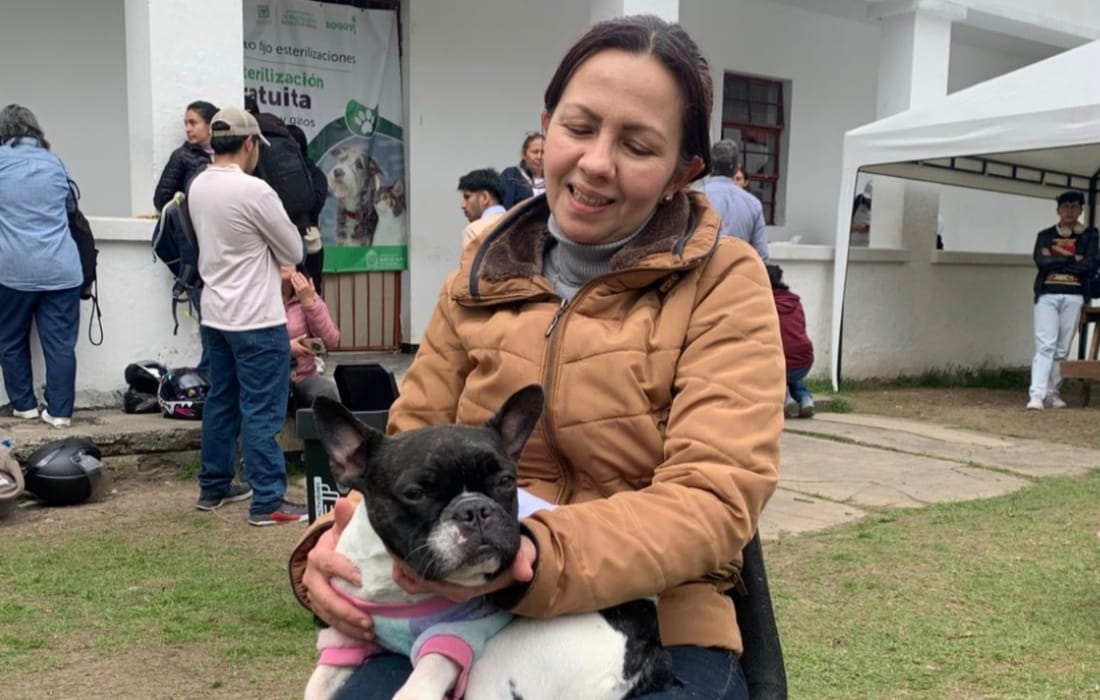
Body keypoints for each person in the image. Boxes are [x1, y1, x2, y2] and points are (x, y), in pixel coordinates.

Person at [291, 15, 783, 699]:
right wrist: (326, 546)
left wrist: (532, 552)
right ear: (546, 127)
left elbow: (714, 498)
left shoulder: (722, 282)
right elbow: (403, 455)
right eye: (579, 128)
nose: (597, 163)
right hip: (453, 607)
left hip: (656, 622)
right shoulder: (477, 279)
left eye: (638, 145)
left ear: (684, 171)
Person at [187, 106, 308, 526]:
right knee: (261, 409)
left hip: (215, 313)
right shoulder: (255, 191)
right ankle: (268, 500)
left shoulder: (199, 184)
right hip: (257, 317)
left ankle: (214, 485)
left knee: (221, 400)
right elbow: (293, 250)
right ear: (250, 143)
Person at [0, 104, 83, 429]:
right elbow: (71, 207)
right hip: (62, 268)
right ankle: (60, 412)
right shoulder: (55, 162)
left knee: (9, 338)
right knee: (61, 344)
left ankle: (24, 406)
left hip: (12, 269)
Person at [1027, 190, 1098, 411]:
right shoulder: (1045, 235)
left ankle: (1052, 392)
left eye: (1074, 207)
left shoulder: (1089, 236)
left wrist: (1057, 260)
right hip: (1047, 294)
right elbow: (1042, 262)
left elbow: (1090, 263)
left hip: (1074, 295)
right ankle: (1037, 394)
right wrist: (1072, 258)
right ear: (1058, 210)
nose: (1070, 211)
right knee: (1045, 345)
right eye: (1066, 206)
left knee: (1062, 348)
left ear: (1081, 210)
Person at [282, 265, 340, 408]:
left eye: (288, 257)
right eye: (278, 256)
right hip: (267, 377)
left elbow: (331, 340)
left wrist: (309, 302)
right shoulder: (257, 297)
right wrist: (285, 349)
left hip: (303, 377)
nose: (283, 262)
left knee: (327, 393)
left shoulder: (307, 294)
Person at [702, 139, 769, 259]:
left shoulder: (695, 197)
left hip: (701, 268)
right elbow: (761, 254)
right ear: (736, 167)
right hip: (737, 268)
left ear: (710, 164)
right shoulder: (753, 204)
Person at [286, 124, 330, 294]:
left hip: (308, 240)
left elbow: (316, 204)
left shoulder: (314, 173)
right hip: (281, 242)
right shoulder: (271, 172)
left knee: (310, 292)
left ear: (300, 146)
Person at [767, 264, 815, 418]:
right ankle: (806, 400)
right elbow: (801, 326)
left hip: (780, 362)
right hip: (804, 360)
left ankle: (786, 397)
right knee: (794, 378)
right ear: (781, 279)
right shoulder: (795, 301)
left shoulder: (764, 303)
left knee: (779, 369)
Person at [153, 100, 218, 211]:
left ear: (210, 125)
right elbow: (161, 199)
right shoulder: (181, 156)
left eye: (193, 123)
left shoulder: (227, 153)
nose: (188, 129)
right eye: (186, 124)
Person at [458, 168, 506, 249]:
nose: (463, 205)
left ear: (485, 197)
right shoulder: (520, 224)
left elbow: (471, 258)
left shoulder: (473, 230)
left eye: (467, 197)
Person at [499, 131, 545, 207]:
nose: (539, 157)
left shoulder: (554, 179)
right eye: (535, 152)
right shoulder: (511, 176)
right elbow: (505, 208)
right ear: (524, 154)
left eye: (543, 152)